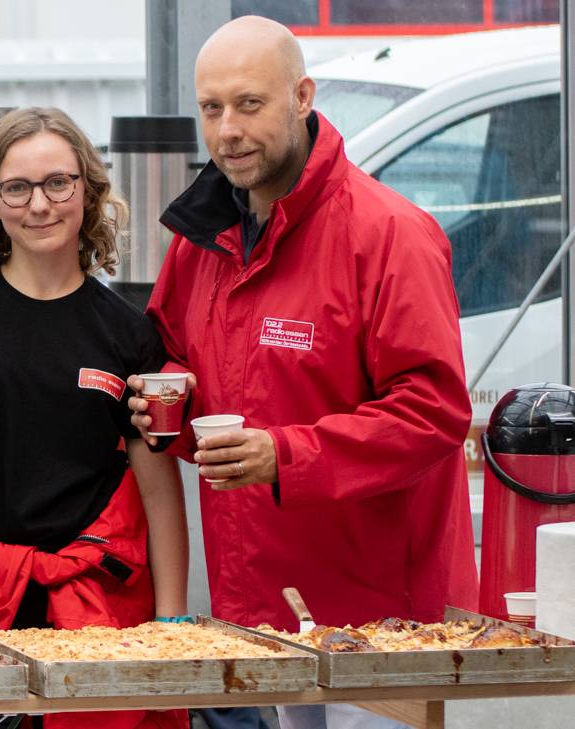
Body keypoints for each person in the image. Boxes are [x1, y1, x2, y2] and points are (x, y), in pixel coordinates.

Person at [130, 16, 477, 729]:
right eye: (211, 108)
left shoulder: (388, 234)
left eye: (249, 104)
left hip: (376, 628)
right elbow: (169, 348)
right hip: (253, 618)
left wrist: (283, 454)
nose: (228, 130)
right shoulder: (201, 243)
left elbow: (434, 410)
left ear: (303, 97)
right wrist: (161, 400)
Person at [0, 107, 188, 729]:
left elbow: (157, 486)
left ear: (87, 190)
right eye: (16, 188)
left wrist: (174, 619)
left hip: (98, 607)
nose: (40, 204)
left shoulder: (128, 331)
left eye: (58, 182)